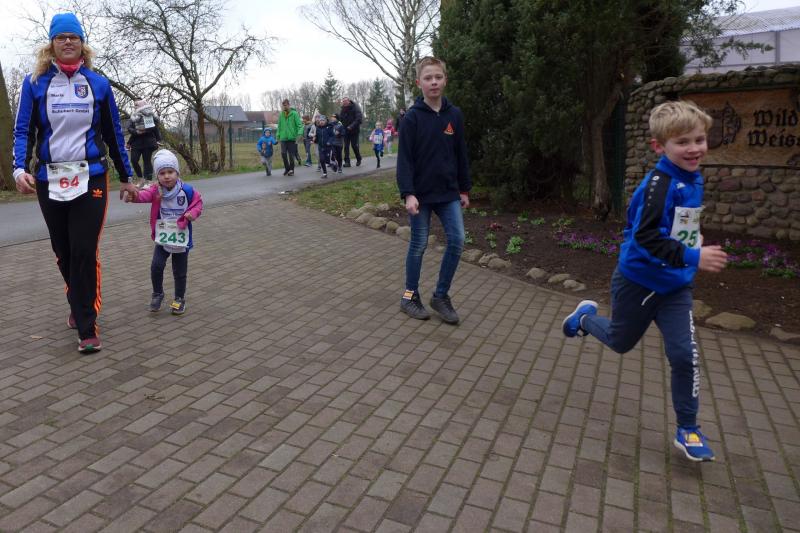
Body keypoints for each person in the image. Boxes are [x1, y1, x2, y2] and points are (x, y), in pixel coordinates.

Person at [561, 100, 729, 462]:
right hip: (637, 282)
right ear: (659, 146)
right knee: (620, 342)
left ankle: (688, 428)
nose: (694, 148)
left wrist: (693, 240)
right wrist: (694, 256)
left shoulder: (692, 177)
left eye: (699, 139)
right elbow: (647, 237)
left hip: (675, 287)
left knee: (684, 355)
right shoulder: (658, 185)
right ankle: (585, 319)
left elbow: (679, 224)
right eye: (682, 142)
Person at [12, 12, 138, 354]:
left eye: (74, 37)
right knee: (64, 251)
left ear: (82, 44)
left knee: (83, 249)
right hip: (49, 179)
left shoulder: (98, 84)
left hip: (91, 176)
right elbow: (23, 130)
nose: (68, 42)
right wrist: (18, 168)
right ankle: (78, 299)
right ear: (51, 44)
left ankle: (86, 325)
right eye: (61, 37)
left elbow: (113, 133)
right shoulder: (34, 83)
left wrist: (127, 178)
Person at [396, 57, 470, 325]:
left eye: (438, 77)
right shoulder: (412, 118)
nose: (434, 82)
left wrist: (464, 189)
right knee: (418, 245)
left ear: (445, 80)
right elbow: (404, 160)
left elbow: (461, 154)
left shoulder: (454, 115)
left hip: (448, 193)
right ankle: (409, 297)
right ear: (419, 83)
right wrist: (408, 193)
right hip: (421, 195)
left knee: (457, 240)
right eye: (428, 78)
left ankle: (441, 296)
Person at [126, 150, 203, 316]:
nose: (167, 176)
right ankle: (157, 294)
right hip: (163, 236)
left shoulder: (187, 190)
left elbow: (198, 203)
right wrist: (133, 196)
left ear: (177, 173)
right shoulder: (156, 190)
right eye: (162, 173)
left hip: (181, 237)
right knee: (156, 266)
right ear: (157, 176)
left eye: (170, 172)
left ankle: (179, 299)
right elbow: (143, 196)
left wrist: (192, 213)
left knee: (179, 271)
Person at [127, 99, 161, 187]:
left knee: (147, 161)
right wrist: (135, 133)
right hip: (136, 142)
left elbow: (154, 127)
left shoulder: (149, 114)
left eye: (137, 104)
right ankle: (141, 179)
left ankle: (148, 181)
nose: (135, 106)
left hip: (148, 142)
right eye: (134, 105)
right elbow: (129, 128)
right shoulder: (133, 116)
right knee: (134, 160)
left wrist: (157, 139)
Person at [276, 99, 303, 176]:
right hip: (283, 137)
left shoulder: (294, 114)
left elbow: (299, 125)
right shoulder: (281, 115)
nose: (284, 107)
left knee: (291, 155)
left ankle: (291, 170)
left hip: (292, 138)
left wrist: (299, 134)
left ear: (289, 105)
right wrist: (278, 135)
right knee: (283, 153)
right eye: (283, 105)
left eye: (285, 105)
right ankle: (287, 168)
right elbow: (279, 126)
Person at [339, 97, 363, 167]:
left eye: (345, 101)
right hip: (346, 130)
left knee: (354, 145)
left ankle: (358, 158)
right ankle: (347, 162)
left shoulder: (355, 107)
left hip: (354, 130)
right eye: (343, 101)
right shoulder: (343, 109)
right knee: (346, 146)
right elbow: (341, 119)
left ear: (349, 101)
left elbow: (359, 119)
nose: (344, 102)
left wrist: (351, 126)